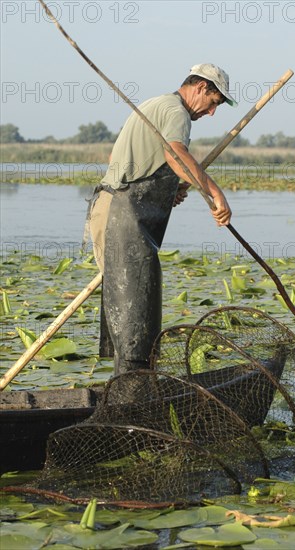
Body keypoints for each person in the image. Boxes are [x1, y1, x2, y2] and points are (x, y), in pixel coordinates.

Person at [90, 63, 236, 375]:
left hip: (114, 207)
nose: (211, 113)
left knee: (128, 298)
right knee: (134, 301)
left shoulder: (155, 104)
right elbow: (175, 152)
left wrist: (167, 189)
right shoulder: (177, 111)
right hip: (123, 215)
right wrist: (214, 192)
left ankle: (127, 381)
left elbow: (131, 161)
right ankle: (130, 386)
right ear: (199, 88)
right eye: (213, 103)